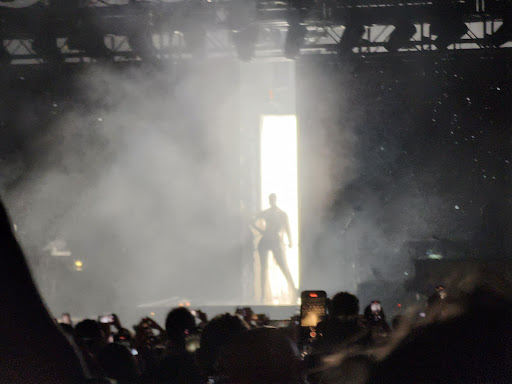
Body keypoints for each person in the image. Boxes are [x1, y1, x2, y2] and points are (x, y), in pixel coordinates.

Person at [253, 193, 297, 302]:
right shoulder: (267, 213)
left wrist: (290, 240)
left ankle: (294, 291)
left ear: (275, 200)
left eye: (272, 199)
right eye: (270, 199)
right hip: (267, 240)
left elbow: (287, 228)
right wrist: (261, 231)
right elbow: (252, 221)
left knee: (283, 266)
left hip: (275, 240)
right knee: (264, 268)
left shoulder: (282, 214)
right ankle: (263, 295)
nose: (271, 201)